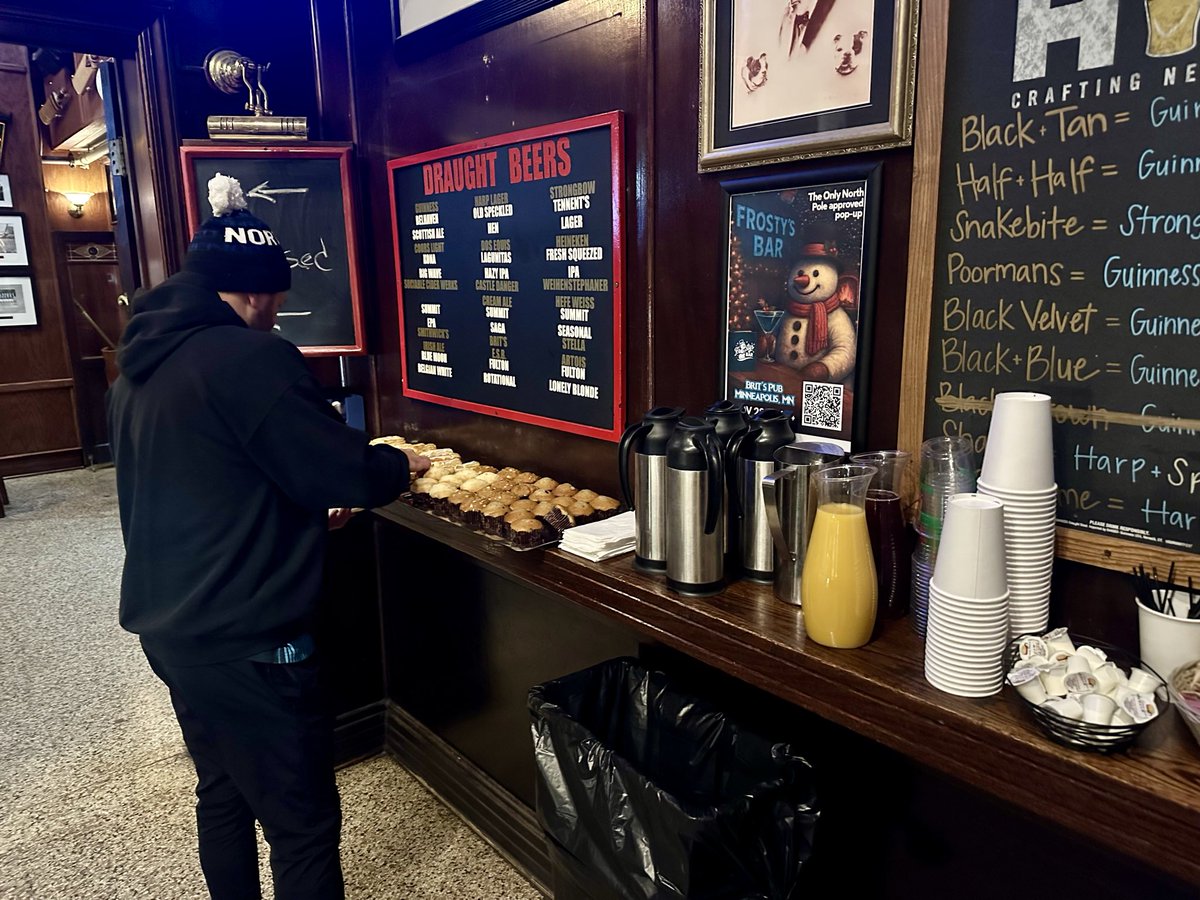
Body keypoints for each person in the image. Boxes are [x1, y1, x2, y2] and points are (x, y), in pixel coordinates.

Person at [106, 173, 428, 899]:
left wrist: (303, 506)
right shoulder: (249, 358)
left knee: (222, 792)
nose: (279, 310)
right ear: (253, 291)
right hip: (252, 642)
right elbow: (344, 468)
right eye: (277, 296)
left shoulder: (138, 372)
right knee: (302, 825)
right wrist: (396, 464)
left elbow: (206, 480)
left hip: (174, 631)